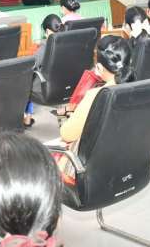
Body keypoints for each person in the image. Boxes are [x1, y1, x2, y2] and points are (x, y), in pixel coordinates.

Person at [57, 36, 134, 183]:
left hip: (92, 170)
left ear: (98, 68)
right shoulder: (142, 88)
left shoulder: (95, 96)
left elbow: (67, 134)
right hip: (127, 163)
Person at [25, 15, 64, 128]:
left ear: (47, 31)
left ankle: (27, 120)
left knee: (24, 83)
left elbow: (31, 65)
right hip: (63, 87)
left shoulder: (45, 47)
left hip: (45, 89)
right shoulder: (68, 42)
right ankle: (62, 116)